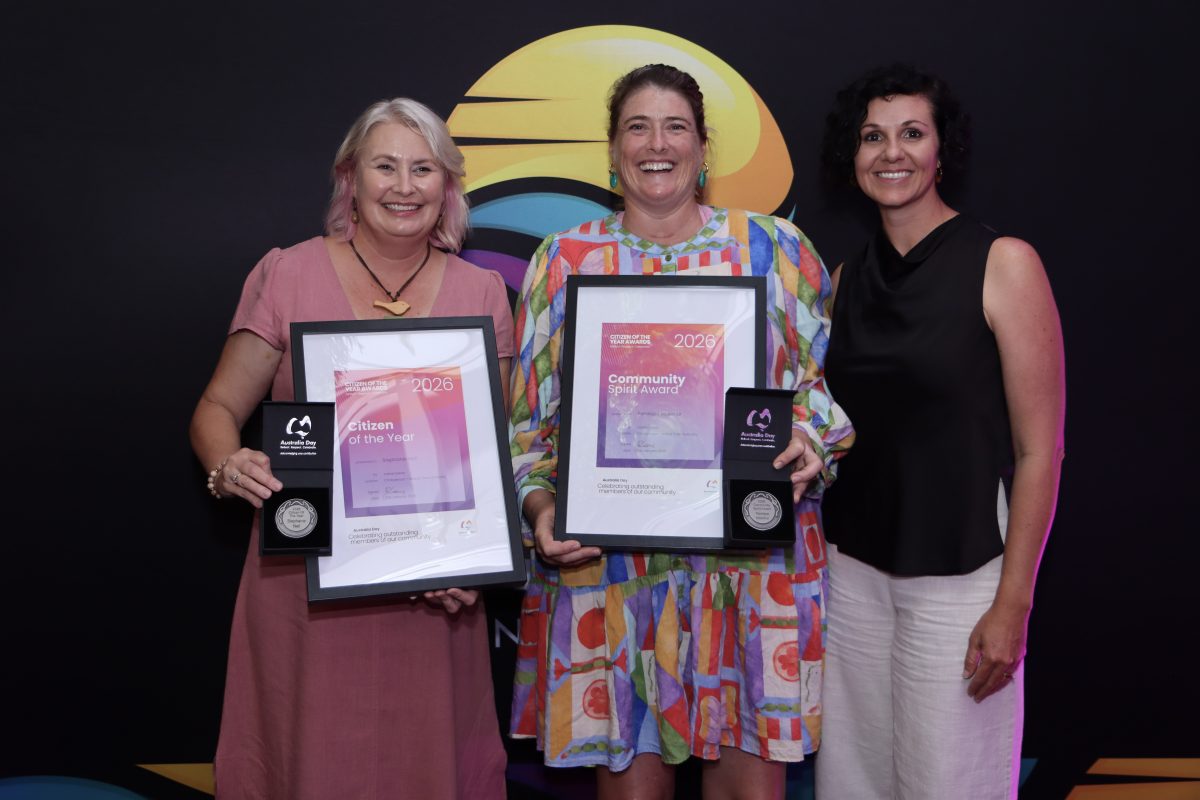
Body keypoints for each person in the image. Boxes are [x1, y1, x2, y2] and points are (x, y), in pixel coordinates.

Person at [507, 64, 854, 800]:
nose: (656, 144)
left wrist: (807, 443)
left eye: (676, 127)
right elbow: (530, 430)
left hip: (749, 572)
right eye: (637, 126)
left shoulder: (777, 252)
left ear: (705, 147)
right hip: (610, 573)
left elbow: (826, 395)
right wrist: (543, 512)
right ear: (611, 149)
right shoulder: (562, 266)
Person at [189, 98, 512, 800]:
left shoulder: (483, 292)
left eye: (423, 168)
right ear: (350, 180)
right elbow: (216, 409)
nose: (404, 186)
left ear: (448, 185)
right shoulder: (289, 274)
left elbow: (499, 453)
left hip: (435, 594)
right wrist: (227, 465)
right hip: (304, 591)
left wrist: (476, 560)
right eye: (385, 166)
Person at [815, 65, 1065, 799]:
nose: (891, 152)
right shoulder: (841, 280)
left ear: (941, 150)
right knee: (854, 783)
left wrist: (1012, 601)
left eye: (911, 133)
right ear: (851, 155)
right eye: (872, 136)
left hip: (963, 575)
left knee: (951, 785)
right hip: (853, 575)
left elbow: (1039, 450)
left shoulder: (1003, 264)